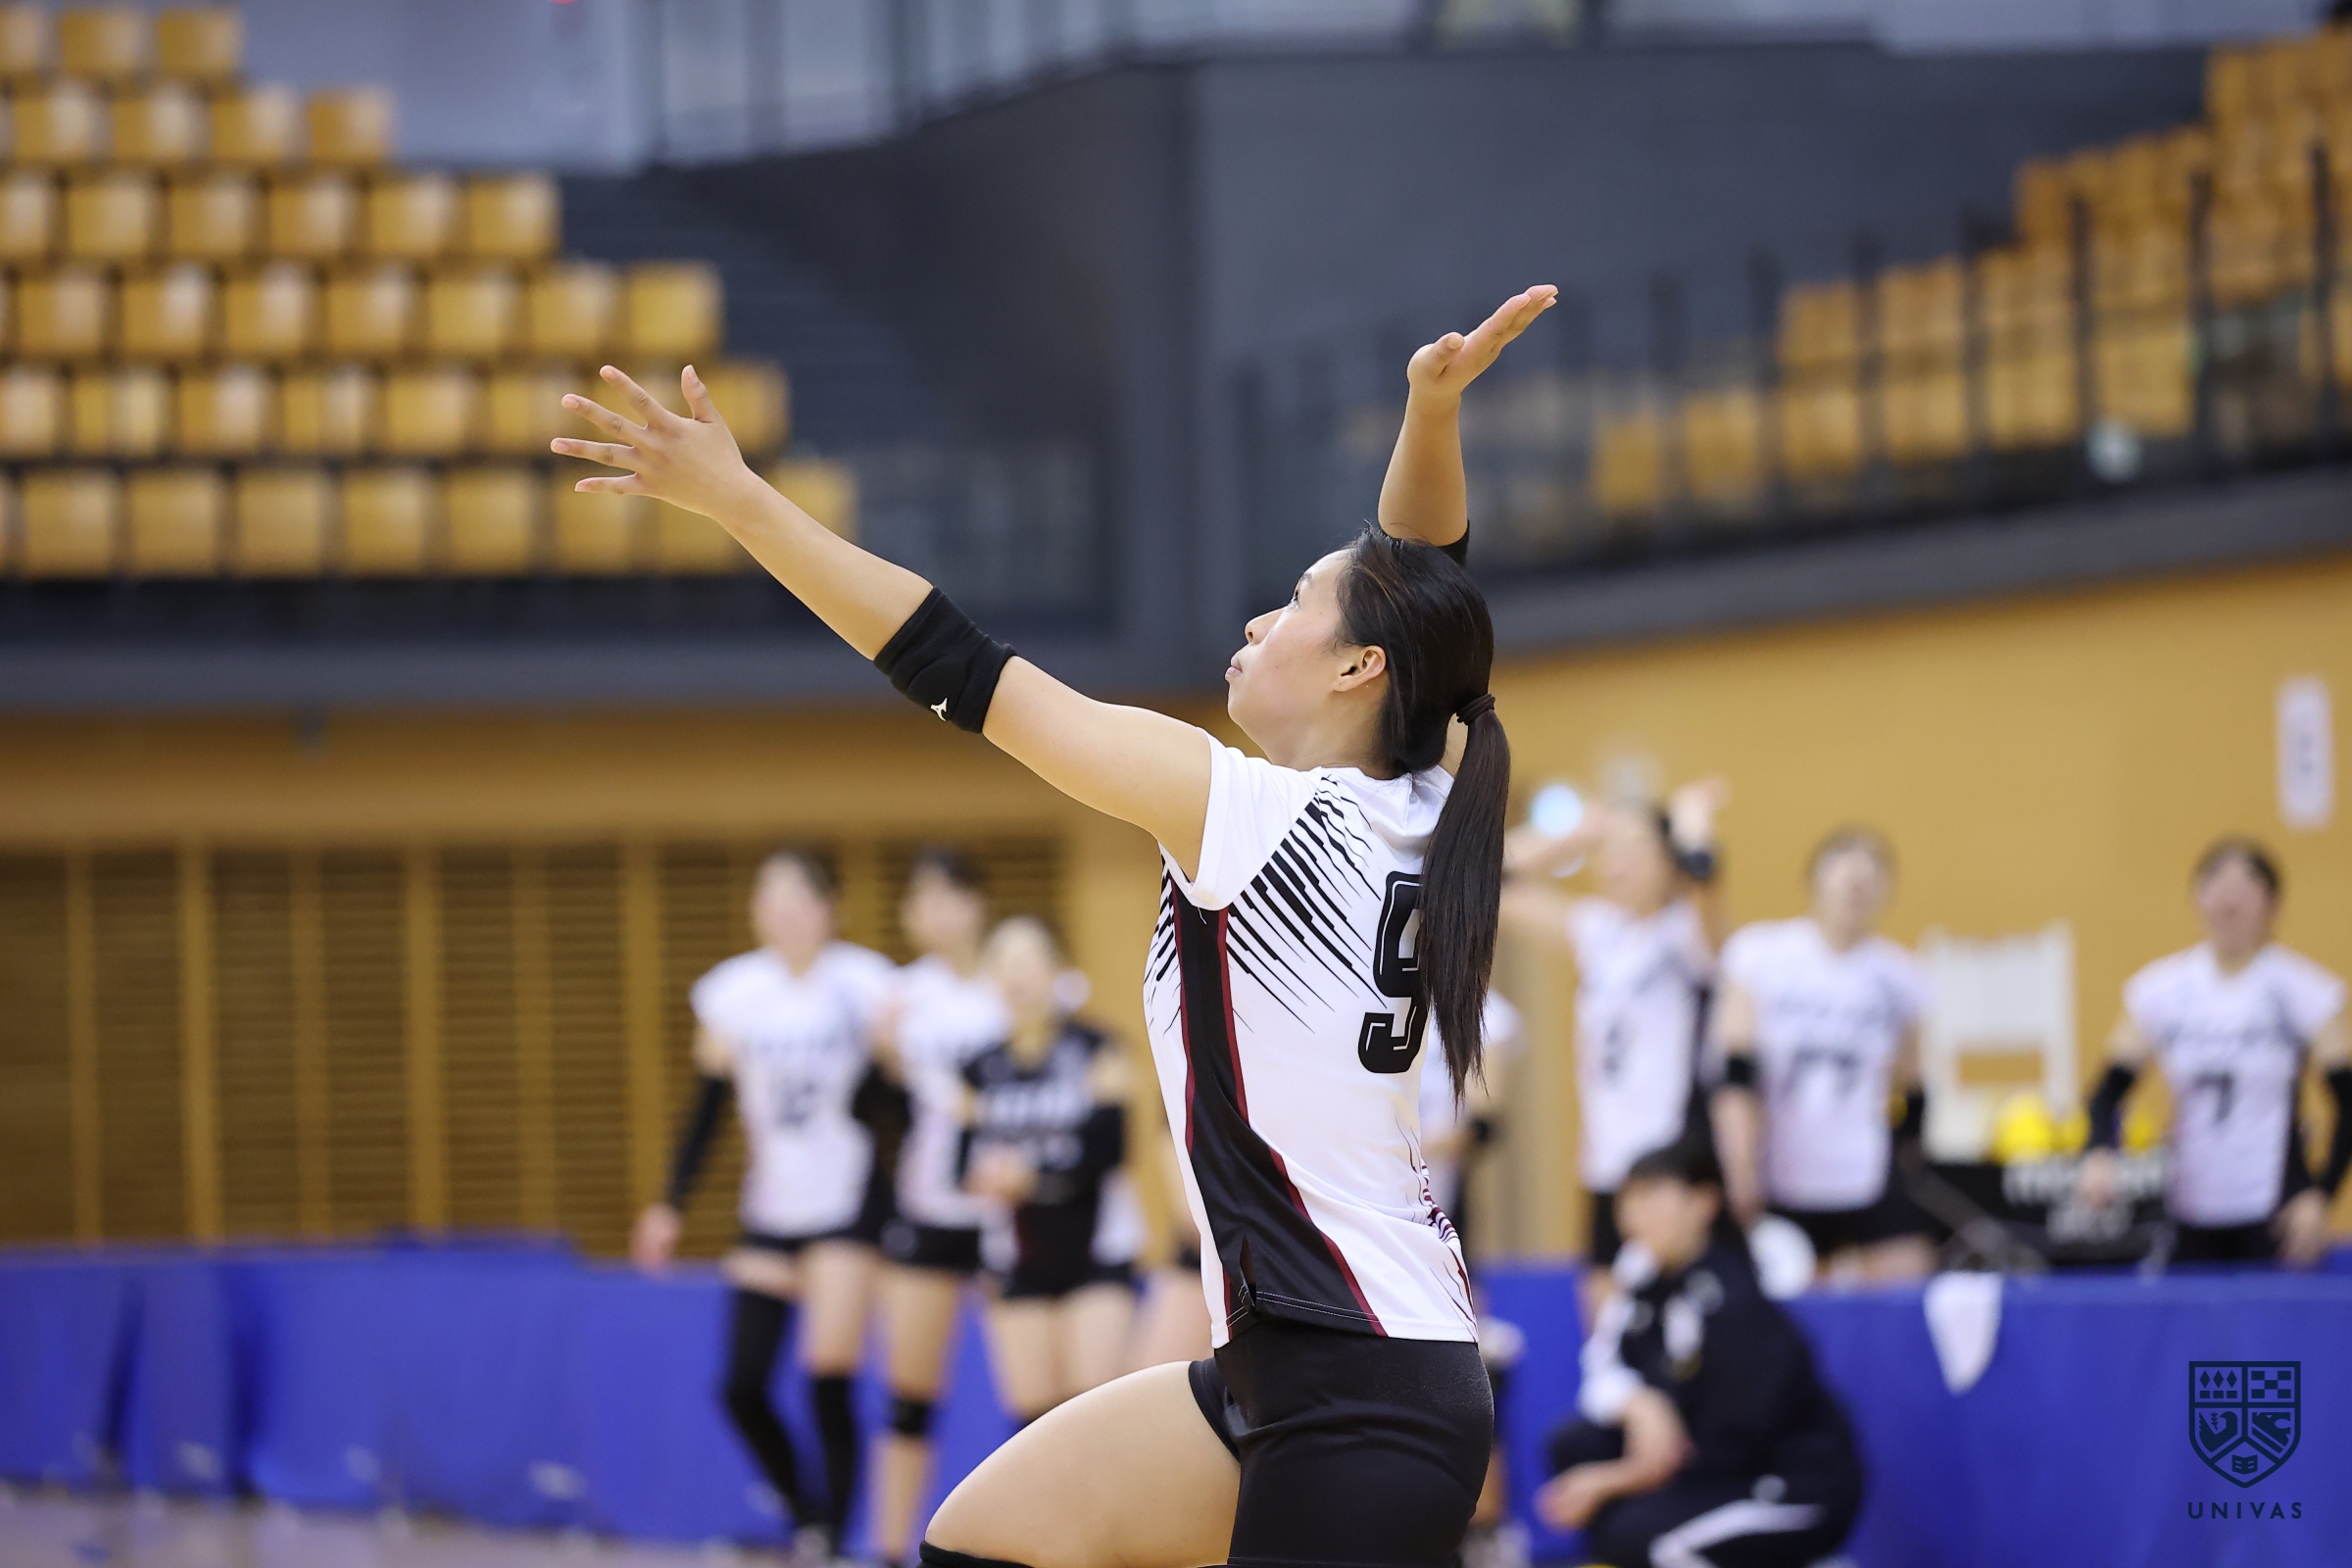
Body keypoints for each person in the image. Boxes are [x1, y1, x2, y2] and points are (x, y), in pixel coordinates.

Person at [554, 279, 1555, 1568]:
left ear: (1361, 669)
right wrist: (1431, 411)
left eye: (1297, 602)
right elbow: (1426, 592)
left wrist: (743, 503)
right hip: (1318, 1371)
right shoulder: (1422, 800)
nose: (1261, 618)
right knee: (987, 1539)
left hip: (1359, 1389)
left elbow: (960, 667)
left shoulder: (1254, 812)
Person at [630, 850, 894, 1558]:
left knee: (828, 1377)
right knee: (741, 1385)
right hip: (772, 1207)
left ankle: (834, 1537)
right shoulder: (734, 993)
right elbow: (708, 1108)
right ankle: (806, 1512)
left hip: (849, 1203)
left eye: (800, 897)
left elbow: (895, 1103)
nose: (785, 912)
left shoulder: (865, 984)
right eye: (770, 897)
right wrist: (670, 1203)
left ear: (831, 908)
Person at [1537, 1142, 1863, 1568]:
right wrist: (1641, 1405)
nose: (1636, 1215)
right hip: (1707, 1464)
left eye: (1653, 1196)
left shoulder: (1733, 1298)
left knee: (1640, 1540)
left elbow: (1733, 1441)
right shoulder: (1643, 1290)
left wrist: (1617, 1479)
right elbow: (1602, 1369)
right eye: (1628, 1200)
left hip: (1786, 1481)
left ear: (1703, 1202)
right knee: (1578, 1445)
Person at [1502, 782, 1727, 1305]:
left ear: (1668, 862)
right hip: (1603, 1159)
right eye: (1611, 851)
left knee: (1675, 1312)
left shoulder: (1686, 932)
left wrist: (1691, 824)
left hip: (1669, 1155)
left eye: (1635, 849)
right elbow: (1490, 880)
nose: (1617, 863)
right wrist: (1575, 834)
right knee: (1603, 1316)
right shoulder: (1597, 929)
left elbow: (1706, 876)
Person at [2080, 838, 2351, 1267]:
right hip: (2189, 1208)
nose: (2228, 901)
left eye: (2243, 889)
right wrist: (2098, 1152)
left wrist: (2321, 1193)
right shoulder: (2163, 990)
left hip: (2275, 1209)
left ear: (2271, 903)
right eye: (2215, 887)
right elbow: (2107, 1091)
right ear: (2197, 898)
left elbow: (2348, 1101)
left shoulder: (2301, 990)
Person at [1711, 827, 1935, 1283]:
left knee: (1908, 1266)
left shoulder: (1900, 975)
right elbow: (1735, 1071)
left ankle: (1835, 1274)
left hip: (1860, 1166)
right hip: (1780, 1165)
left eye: (1870, 875)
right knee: (1775, 1279)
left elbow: (1913, 1084)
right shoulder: (1761, 955)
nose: (1856, 884)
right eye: (1844, 869)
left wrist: (1909, 1160)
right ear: (1813, 879)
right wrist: (1740, 1165)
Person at [871, 849, 1007, 1568]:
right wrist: (884, 1062)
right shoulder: (899, 997)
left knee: (1038, 1397)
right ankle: (891, 1549)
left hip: (1005, 1212)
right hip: (927, 1207)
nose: (936, 914)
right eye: (921, 900)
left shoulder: (1014, 983)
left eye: (949, 896)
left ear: (977, 904)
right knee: (909, 1395)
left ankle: (1031, 1546)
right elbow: (876, 1112)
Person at [957, 917, 1139, 1423]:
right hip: (1017, 1254)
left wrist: (1035, 1177)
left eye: (1031, 961)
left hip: (1096, 1246)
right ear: (991, 977)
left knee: (1096, 1416)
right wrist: (985, 1178)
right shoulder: (976, 1067)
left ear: (1057, 971)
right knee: (1033, 1422)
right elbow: (960, 1165)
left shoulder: (1098, 1048)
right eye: (1006, 963)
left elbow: (1111, 1150)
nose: (1019, 975)